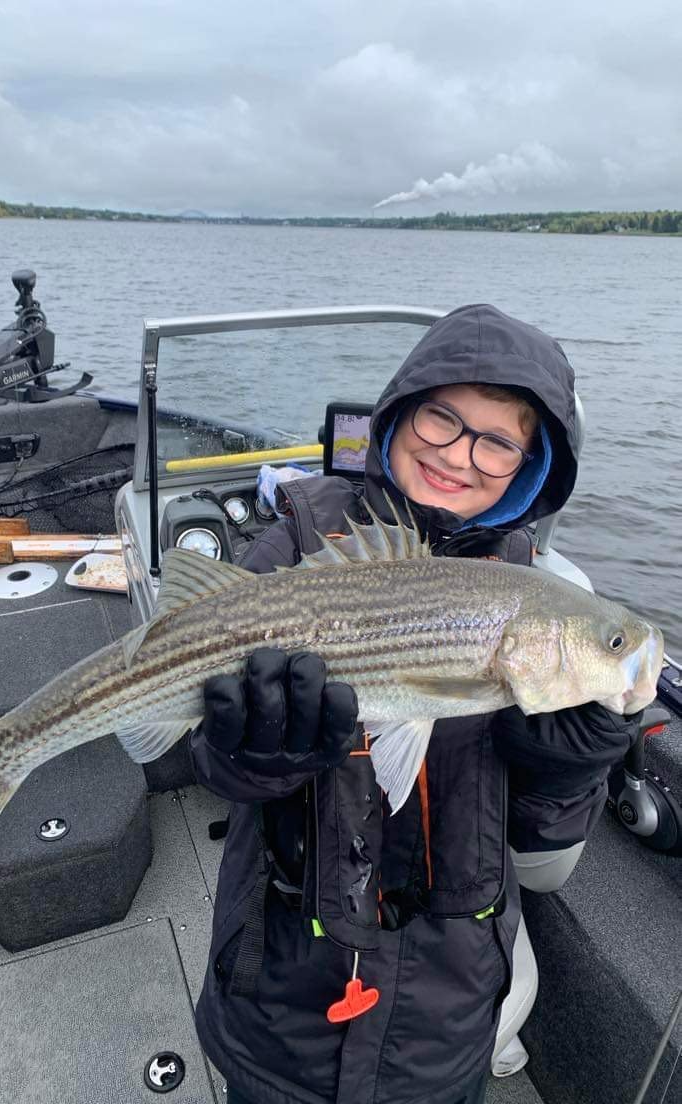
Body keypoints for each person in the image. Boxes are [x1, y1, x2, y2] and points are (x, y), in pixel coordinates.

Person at [189, 303, 641, 1104]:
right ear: (401, 409)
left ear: (527, 465)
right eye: (443, 418)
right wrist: (247, 755)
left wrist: (567, 770)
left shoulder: (538, 588)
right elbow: (209, 760)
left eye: (498, 441)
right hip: (284, 993)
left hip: (448, 1009)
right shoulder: (295, 543)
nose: (460, 456)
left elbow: (541, 846)